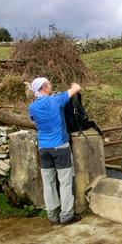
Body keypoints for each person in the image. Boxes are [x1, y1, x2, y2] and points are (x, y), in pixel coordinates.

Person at [28, 77, 82, 225]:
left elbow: (34, 120)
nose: (51, 86)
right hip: (60, 147)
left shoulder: (32, 106)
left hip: (43, 149)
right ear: (45, 87)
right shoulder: (56, 100)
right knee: (64, 182)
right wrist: (73, 85)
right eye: (49, 84)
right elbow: (76, 88)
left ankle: (52, 215)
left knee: (48, 182)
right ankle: (66, 216)